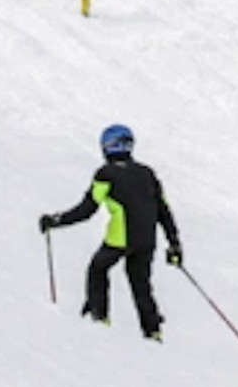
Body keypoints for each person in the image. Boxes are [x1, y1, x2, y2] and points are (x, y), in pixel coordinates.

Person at [38, 124, 183, 341]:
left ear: (107, 147)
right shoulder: (147, 173)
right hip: (147, 239)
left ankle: (99, 317)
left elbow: (87, 210)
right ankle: (152, 330)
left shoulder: (105, 174)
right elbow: (163, 210)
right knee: (140, 283)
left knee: (97, 269)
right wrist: (174, 243)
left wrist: (56, 221)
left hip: (120, 237)